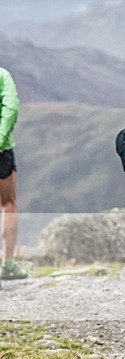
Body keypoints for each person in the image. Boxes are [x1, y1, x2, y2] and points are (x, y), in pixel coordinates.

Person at [0, 67, 27, 282]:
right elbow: (11, 108)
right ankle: (8, 264)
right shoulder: (2, 75)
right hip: (2, 150)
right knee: (8, 204)